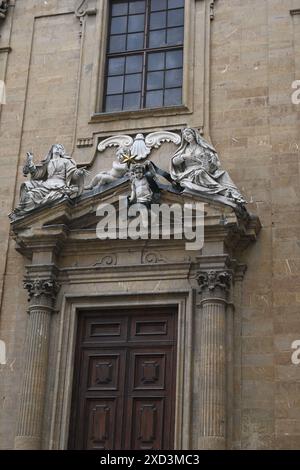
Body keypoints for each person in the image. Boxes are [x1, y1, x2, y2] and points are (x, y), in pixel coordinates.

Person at [170, 128, 245, 204]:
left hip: (204, 169)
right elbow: (174, 162)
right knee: (200, 173)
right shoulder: (185, 149)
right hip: (189, 172)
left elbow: (212, 162)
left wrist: (211, 159)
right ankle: (223, 191)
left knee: (223, 174)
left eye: (188, 135)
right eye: (185, 136)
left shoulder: (203, 148)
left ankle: (233, 193)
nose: (187, 137)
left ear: (194, 134)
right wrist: (184, 156)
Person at [10, 144, 86, 219]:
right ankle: (20, 213)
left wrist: (78, 173)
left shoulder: (65, 161)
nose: (57, 149)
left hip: (59, 185)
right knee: (30, 194)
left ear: (62, 151)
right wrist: (30, 163)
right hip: (46, 185)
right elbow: (37, 174)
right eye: (56, 147)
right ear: (52, 150)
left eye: (60, 148)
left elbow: (72, 174)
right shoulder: (47, 163)